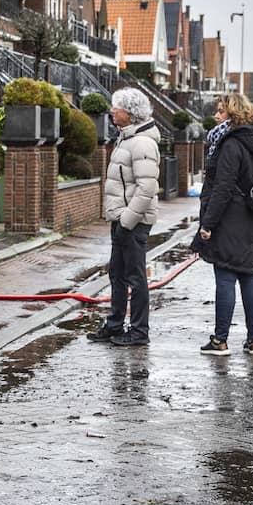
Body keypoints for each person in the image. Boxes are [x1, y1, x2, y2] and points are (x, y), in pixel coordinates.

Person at [193, 93, 253, 356]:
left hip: (230, 219)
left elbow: (222, 188)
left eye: (221, 111)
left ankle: (220, 340)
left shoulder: (230, 144)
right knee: (249, 275)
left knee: (225, 275)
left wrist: (208, 223)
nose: (216, 116)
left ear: (233, 114)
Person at [88, 88, 159, 347]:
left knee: (135, 276)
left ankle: (140, 331)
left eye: (115, 107)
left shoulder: (141, 144)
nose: (111, 111)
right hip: (122, 218)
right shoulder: (126, 139)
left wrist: (128, 221)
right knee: (117, 272)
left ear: (129, 113)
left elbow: (146, 187)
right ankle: (115, 323)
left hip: (133, 221)